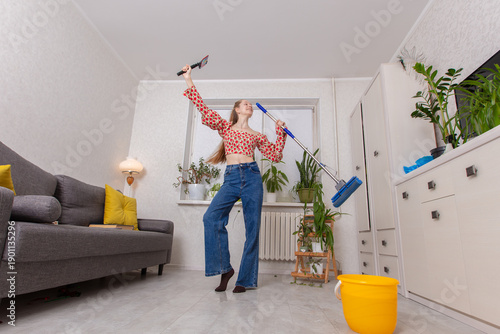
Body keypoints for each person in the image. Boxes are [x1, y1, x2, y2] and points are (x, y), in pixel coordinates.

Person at [181, 64, 287, 293]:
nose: (249, 105)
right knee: (211, 217)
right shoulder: (226, 128)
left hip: (251, 177)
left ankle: (245, 280)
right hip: (231, 178)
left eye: (250, 104)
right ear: (237, 109)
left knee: (252, 229)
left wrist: (280, 132)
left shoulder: (257, 135)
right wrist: (189, 79)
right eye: (245, 103)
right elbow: (205, 111)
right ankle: (225, 268)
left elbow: (276, 155)